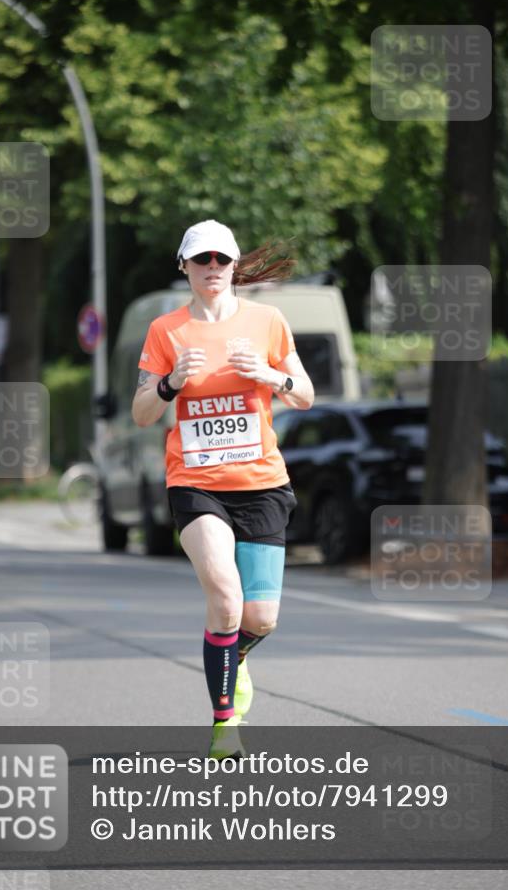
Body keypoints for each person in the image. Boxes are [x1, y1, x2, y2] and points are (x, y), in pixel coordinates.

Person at [132, 220, 314, 758]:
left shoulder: (268, 321)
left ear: (234, 267)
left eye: (221, 260)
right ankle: (224, 723)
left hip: (261, 483)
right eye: (201, 260)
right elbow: (143, 413)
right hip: (196, 484)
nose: (212, 268)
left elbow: (305, 394)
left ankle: (234, 660)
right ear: (184, 266)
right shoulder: (167, 332)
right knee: (227, 601)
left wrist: (269, 375)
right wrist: (170, 383)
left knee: (261, 619)